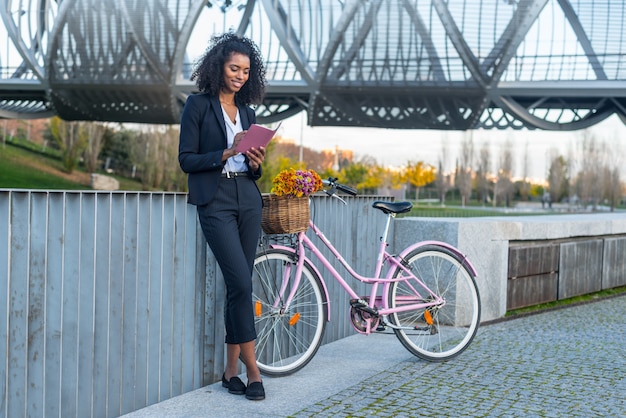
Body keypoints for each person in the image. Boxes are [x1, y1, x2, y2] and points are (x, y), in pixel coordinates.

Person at [178, 32, 267, 401]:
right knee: (243, 285)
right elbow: (187, 159)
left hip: (247, 196)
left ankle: (230, 371)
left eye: (246, 71)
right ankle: (253, 371)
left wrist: (256, 162)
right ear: (219, 67)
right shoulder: (197, 105)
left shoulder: (248, 113)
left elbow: (255, 168)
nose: (240, 76)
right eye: (234, 68)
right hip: (215, 200)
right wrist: (226, 151)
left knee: (238, 286)